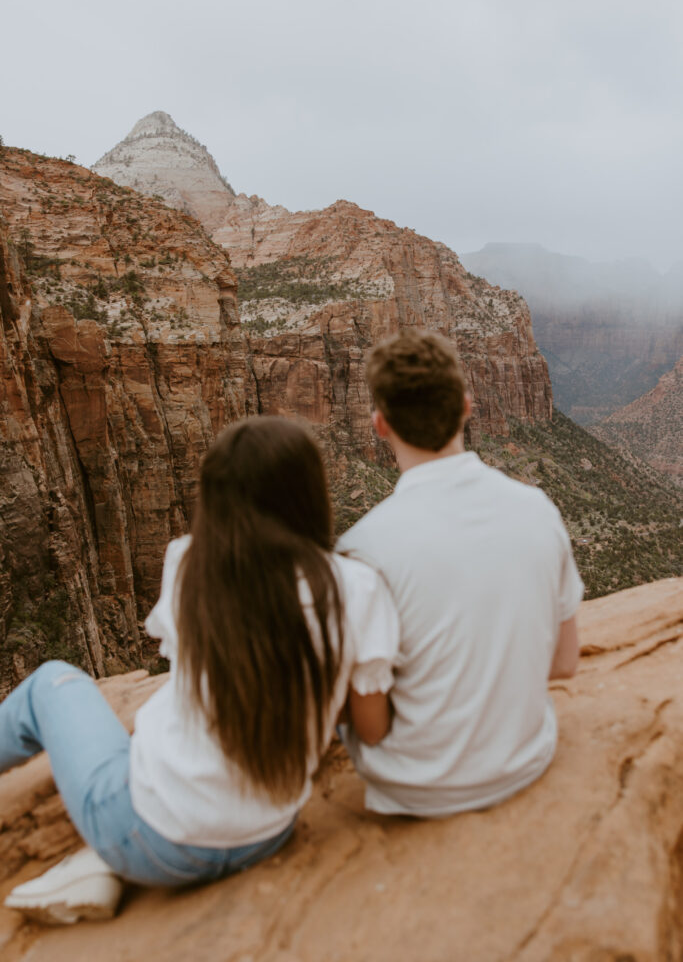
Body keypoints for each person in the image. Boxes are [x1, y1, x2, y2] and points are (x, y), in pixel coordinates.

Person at [1, 416, 399, 924]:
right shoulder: (356, 586)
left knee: (51, 683)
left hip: (148, 837)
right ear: (310, 493)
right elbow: (371, 727)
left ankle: (108, 861)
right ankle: (99, 865)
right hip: (265, 834)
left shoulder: (189, 564)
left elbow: (188, 670)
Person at [337, 329, 583, 817]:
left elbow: (371, 727)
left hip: (413, 788)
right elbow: (564, 663)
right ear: (468, 408)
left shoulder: (362, 548)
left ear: (380, 424)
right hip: (526, 760)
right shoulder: (537, 509)